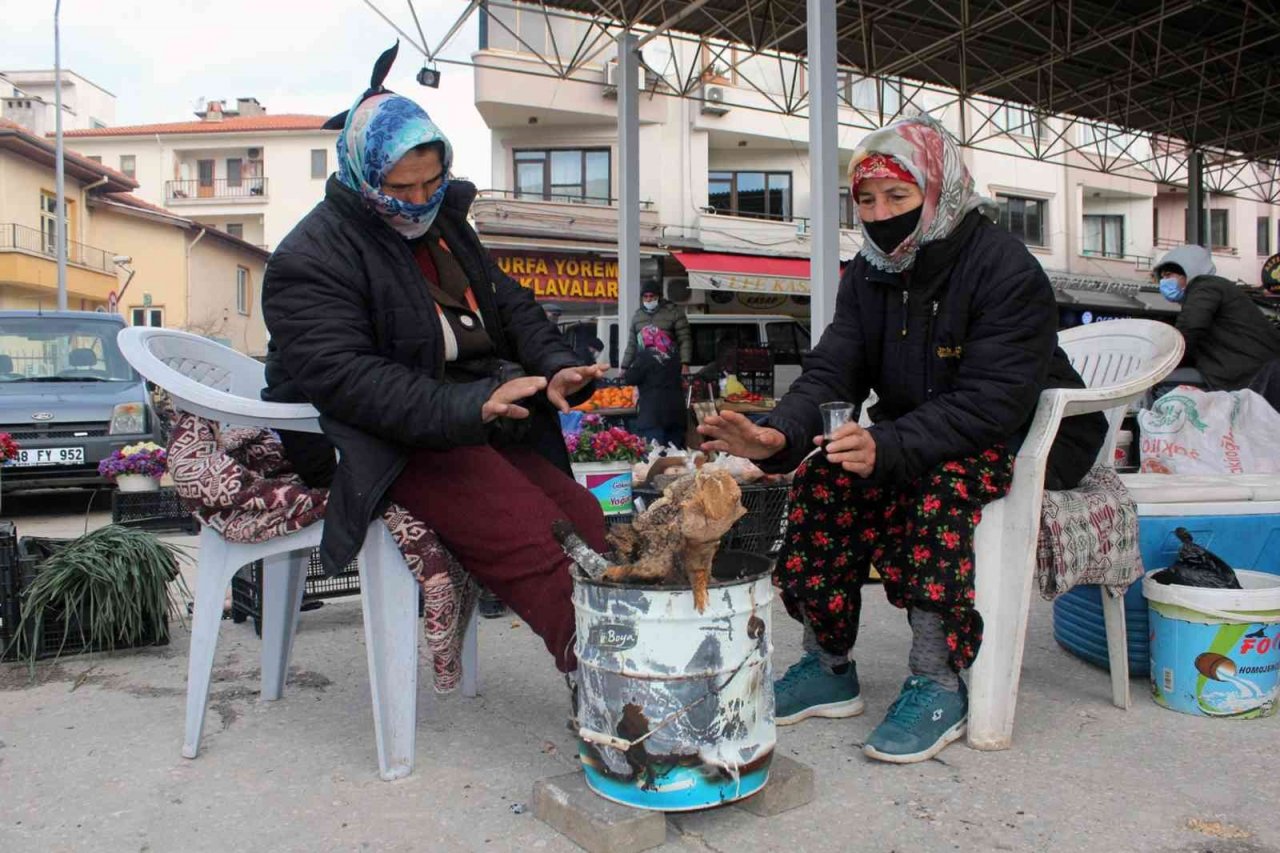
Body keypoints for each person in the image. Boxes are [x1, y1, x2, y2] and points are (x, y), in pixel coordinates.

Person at [698, 116, 1106, 764]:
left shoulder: (1003, 266)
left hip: (1021, 434)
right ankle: (827, 663)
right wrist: (775, 432)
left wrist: (887, 446)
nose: (880, 214)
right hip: (918, 428)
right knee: (822, 477)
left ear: (938, 189)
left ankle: (938, 680)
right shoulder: (870, 272)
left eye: (898, 196)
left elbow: (991, 402)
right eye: (866, 200)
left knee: (941, 493)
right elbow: (834, 368)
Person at [260, 43, 608, 686]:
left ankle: (635, 664)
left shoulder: (446, 227)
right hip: (370, 439)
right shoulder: (309, 258)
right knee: (529, 537)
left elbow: (512, 305)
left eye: (431, 182)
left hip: (459, 422)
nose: (417, 199)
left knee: (588, 526)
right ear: (361, 172)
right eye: (400, 187)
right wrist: (464, 407)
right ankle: (609, 687)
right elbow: (347, 380)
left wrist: (556, 365)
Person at [1153, 245, 1280, 391]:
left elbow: (1190, 328)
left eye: (1168, 275)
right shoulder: (1215, 289)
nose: (1164, 282)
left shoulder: (1205, 286)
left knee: (1165, 384)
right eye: (1162, 278)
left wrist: (1163, 365)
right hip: (1253, 370)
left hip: (1245, 371)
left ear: (1188, 270)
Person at [625, 325, 686, 448]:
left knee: (655, 457)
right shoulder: (674, 355)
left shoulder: (645, 356)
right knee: (675, 457)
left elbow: (630, 378)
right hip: (677, 413)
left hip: (654, 415)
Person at [620, 285, 692, 372]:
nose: (648, 299)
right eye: (645, 296)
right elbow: (632, 344)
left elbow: (685, 340)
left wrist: (685, 363)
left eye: (651, 296)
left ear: (659, 297)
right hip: (645, 368)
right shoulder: (637, 316)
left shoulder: (674, 313)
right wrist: (624, 366)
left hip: (668, 367)